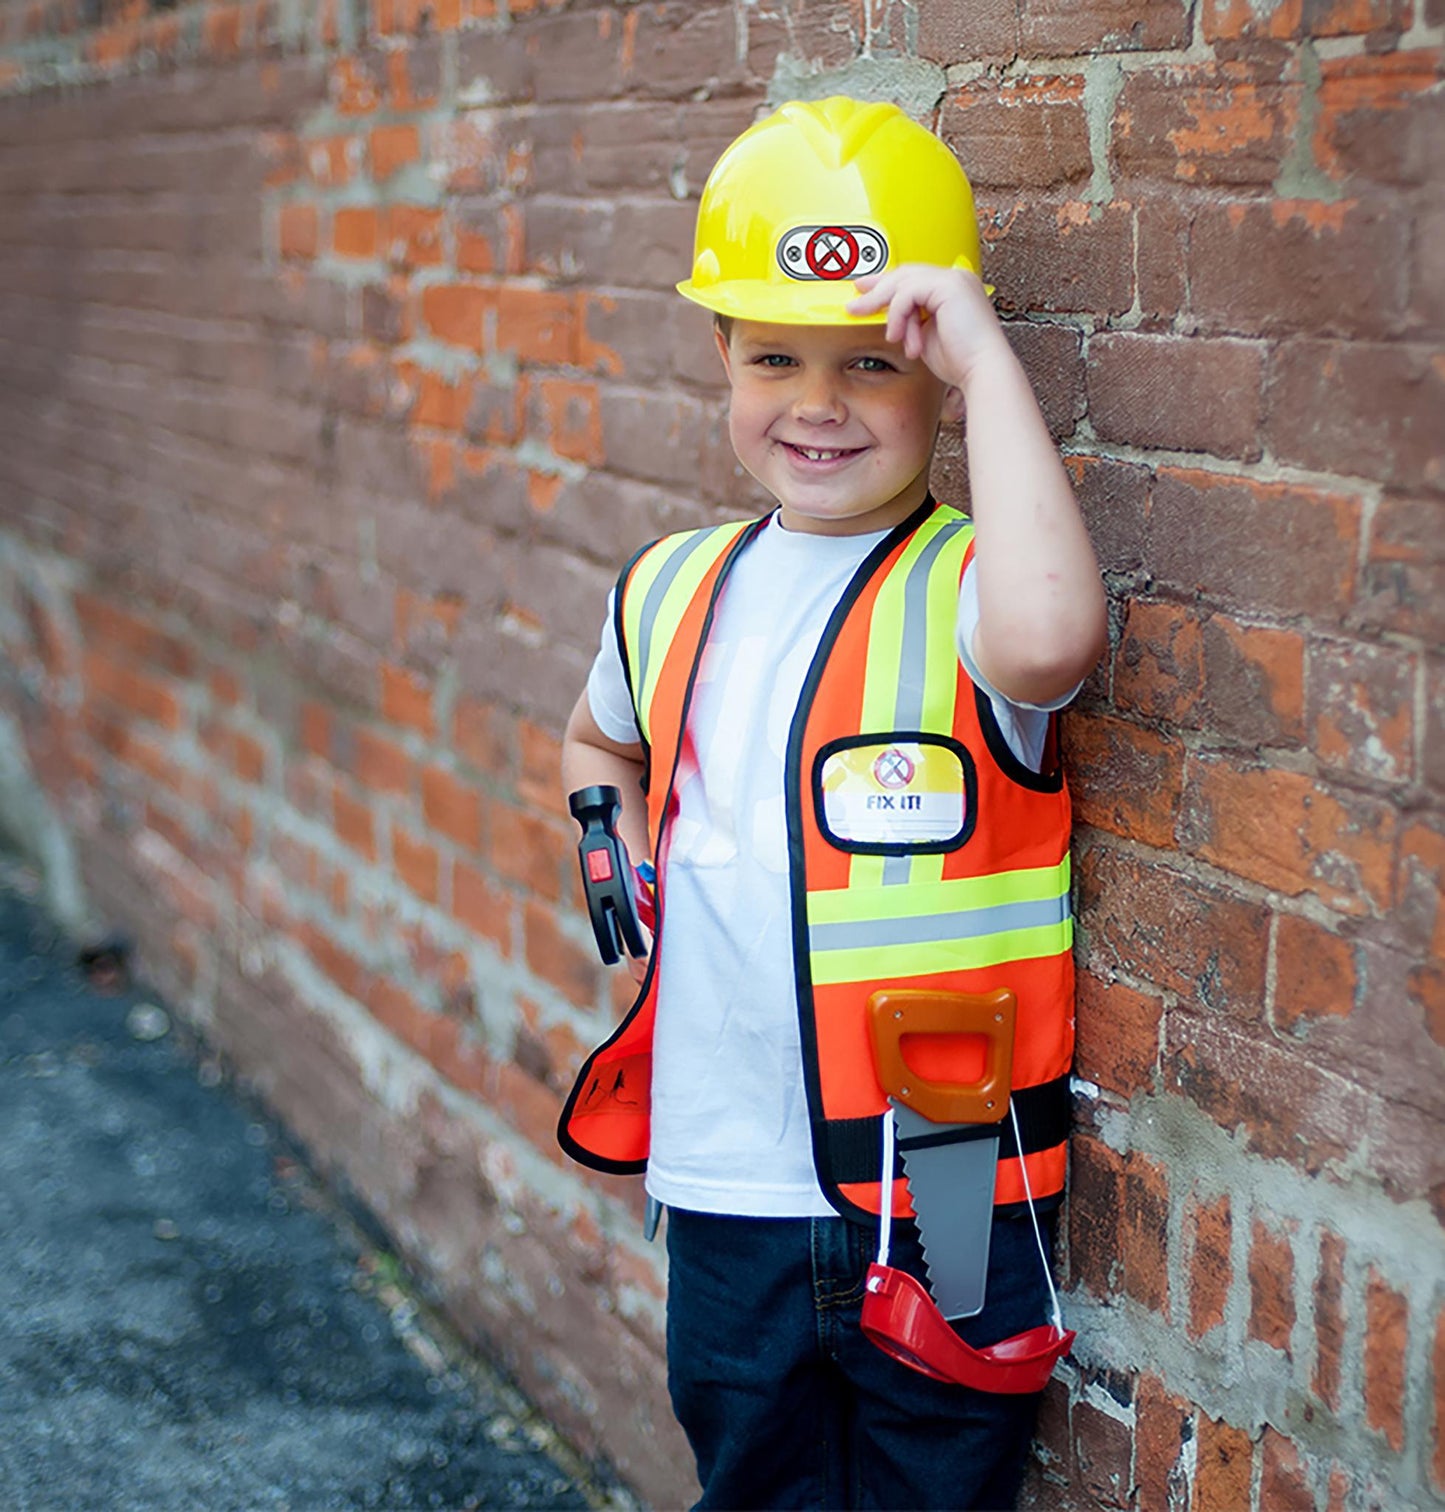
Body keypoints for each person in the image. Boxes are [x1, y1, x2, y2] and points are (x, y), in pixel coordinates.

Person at [556, 96, 1108, 1511]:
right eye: (774, 359)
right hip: (724, 1167)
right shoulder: (667, 585)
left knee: (941, 1473)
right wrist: (606, 850)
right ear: (721, 362)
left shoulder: (977, 590)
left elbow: (1056, 643)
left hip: (940, 1174)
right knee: (750, 1471)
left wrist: (987, 359)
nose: (816, 402)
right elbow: (594, 746)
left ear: (933, 384)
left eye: (871, 363)